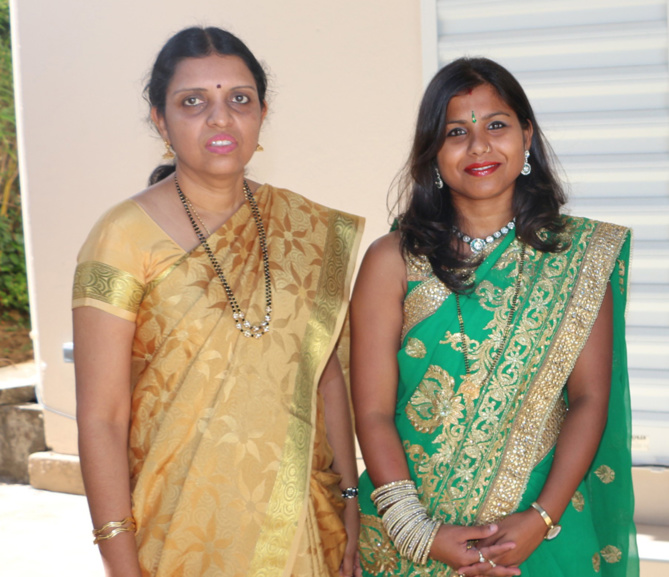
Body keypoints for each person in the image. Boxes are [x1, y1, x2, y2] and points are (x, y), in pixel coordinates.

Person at [73, 26, 364, 577]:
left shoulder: (305, 230)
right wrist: (118, 560)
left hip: (302, 526)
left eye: (239, 99)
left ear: (262, 113)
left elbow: (326, 377)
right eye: (193, 102)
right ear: (161, 121)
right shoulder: (122, 237)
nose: (220, 118)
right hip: (176, 533)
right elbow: (102, 418)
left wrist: (349, 497)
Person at [350, 57, 638, 577]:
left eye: (496, 125)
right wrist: (418, 531)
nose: (479, 146)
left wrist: (540, 519)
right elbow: (371, 412)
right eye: (456, 132)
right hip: (407, 535)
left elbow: (589, 399)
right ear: (433, 152)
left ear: (527, 136)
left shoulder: (578, 258)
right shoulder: (391, 261)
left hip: (541, 533)